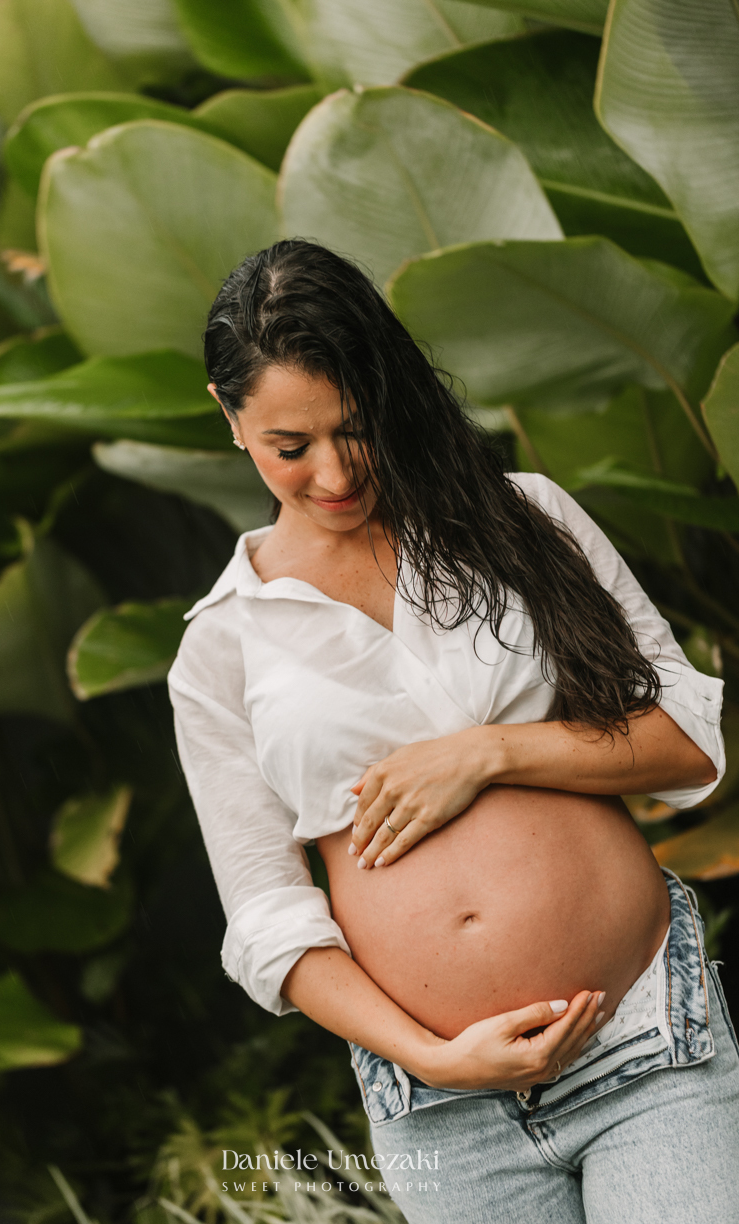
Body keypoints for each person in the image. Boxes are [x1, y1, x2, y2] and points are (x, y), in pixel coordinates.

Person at [168, 239, 739, 1222]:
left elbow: (686, 740)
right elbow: (268, 918)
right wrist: (435, 1057)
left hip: (643, 1042)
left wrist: (491, 752)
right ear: (232, 420)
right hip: (445, 1109)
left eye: (358, 428)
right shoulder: (222, 647)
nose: (338, 474)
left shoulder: (525, 521)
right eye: (290, 447)